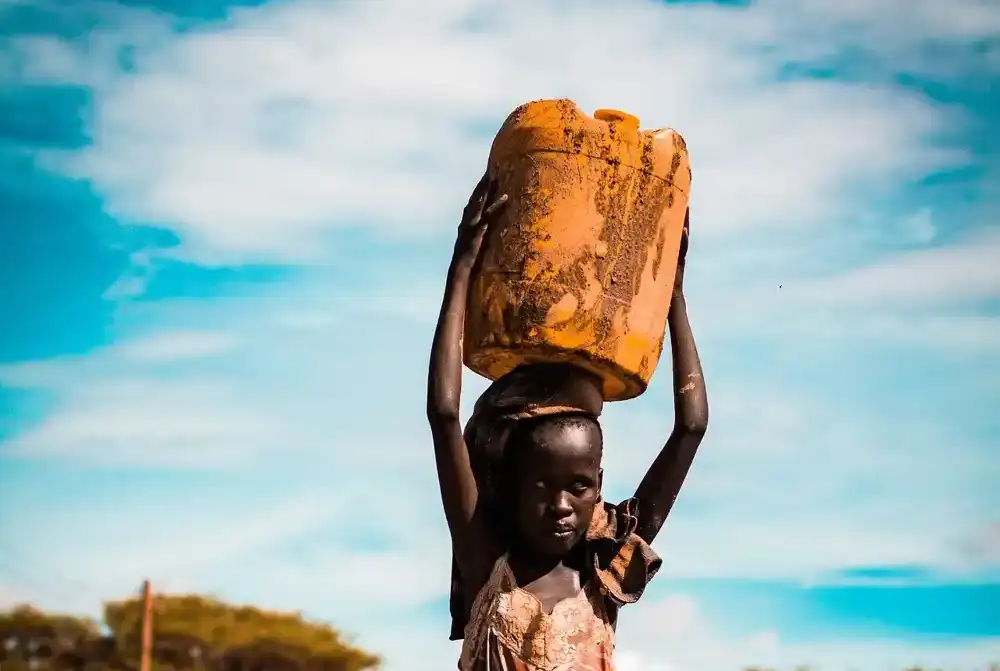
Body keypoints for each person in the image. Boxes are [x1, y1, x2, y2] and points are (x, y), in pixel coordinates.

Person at [427, 174, 709, 670]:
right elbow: (444, 415)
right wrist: (463, 266)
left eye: (577, 486)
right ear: (511, 486)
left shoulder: (607, 573)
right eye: (541, 485)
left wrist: (672, 295)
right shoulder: (489, 566)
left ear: (597, 486)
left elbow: (692, 426)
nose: (560, 505)